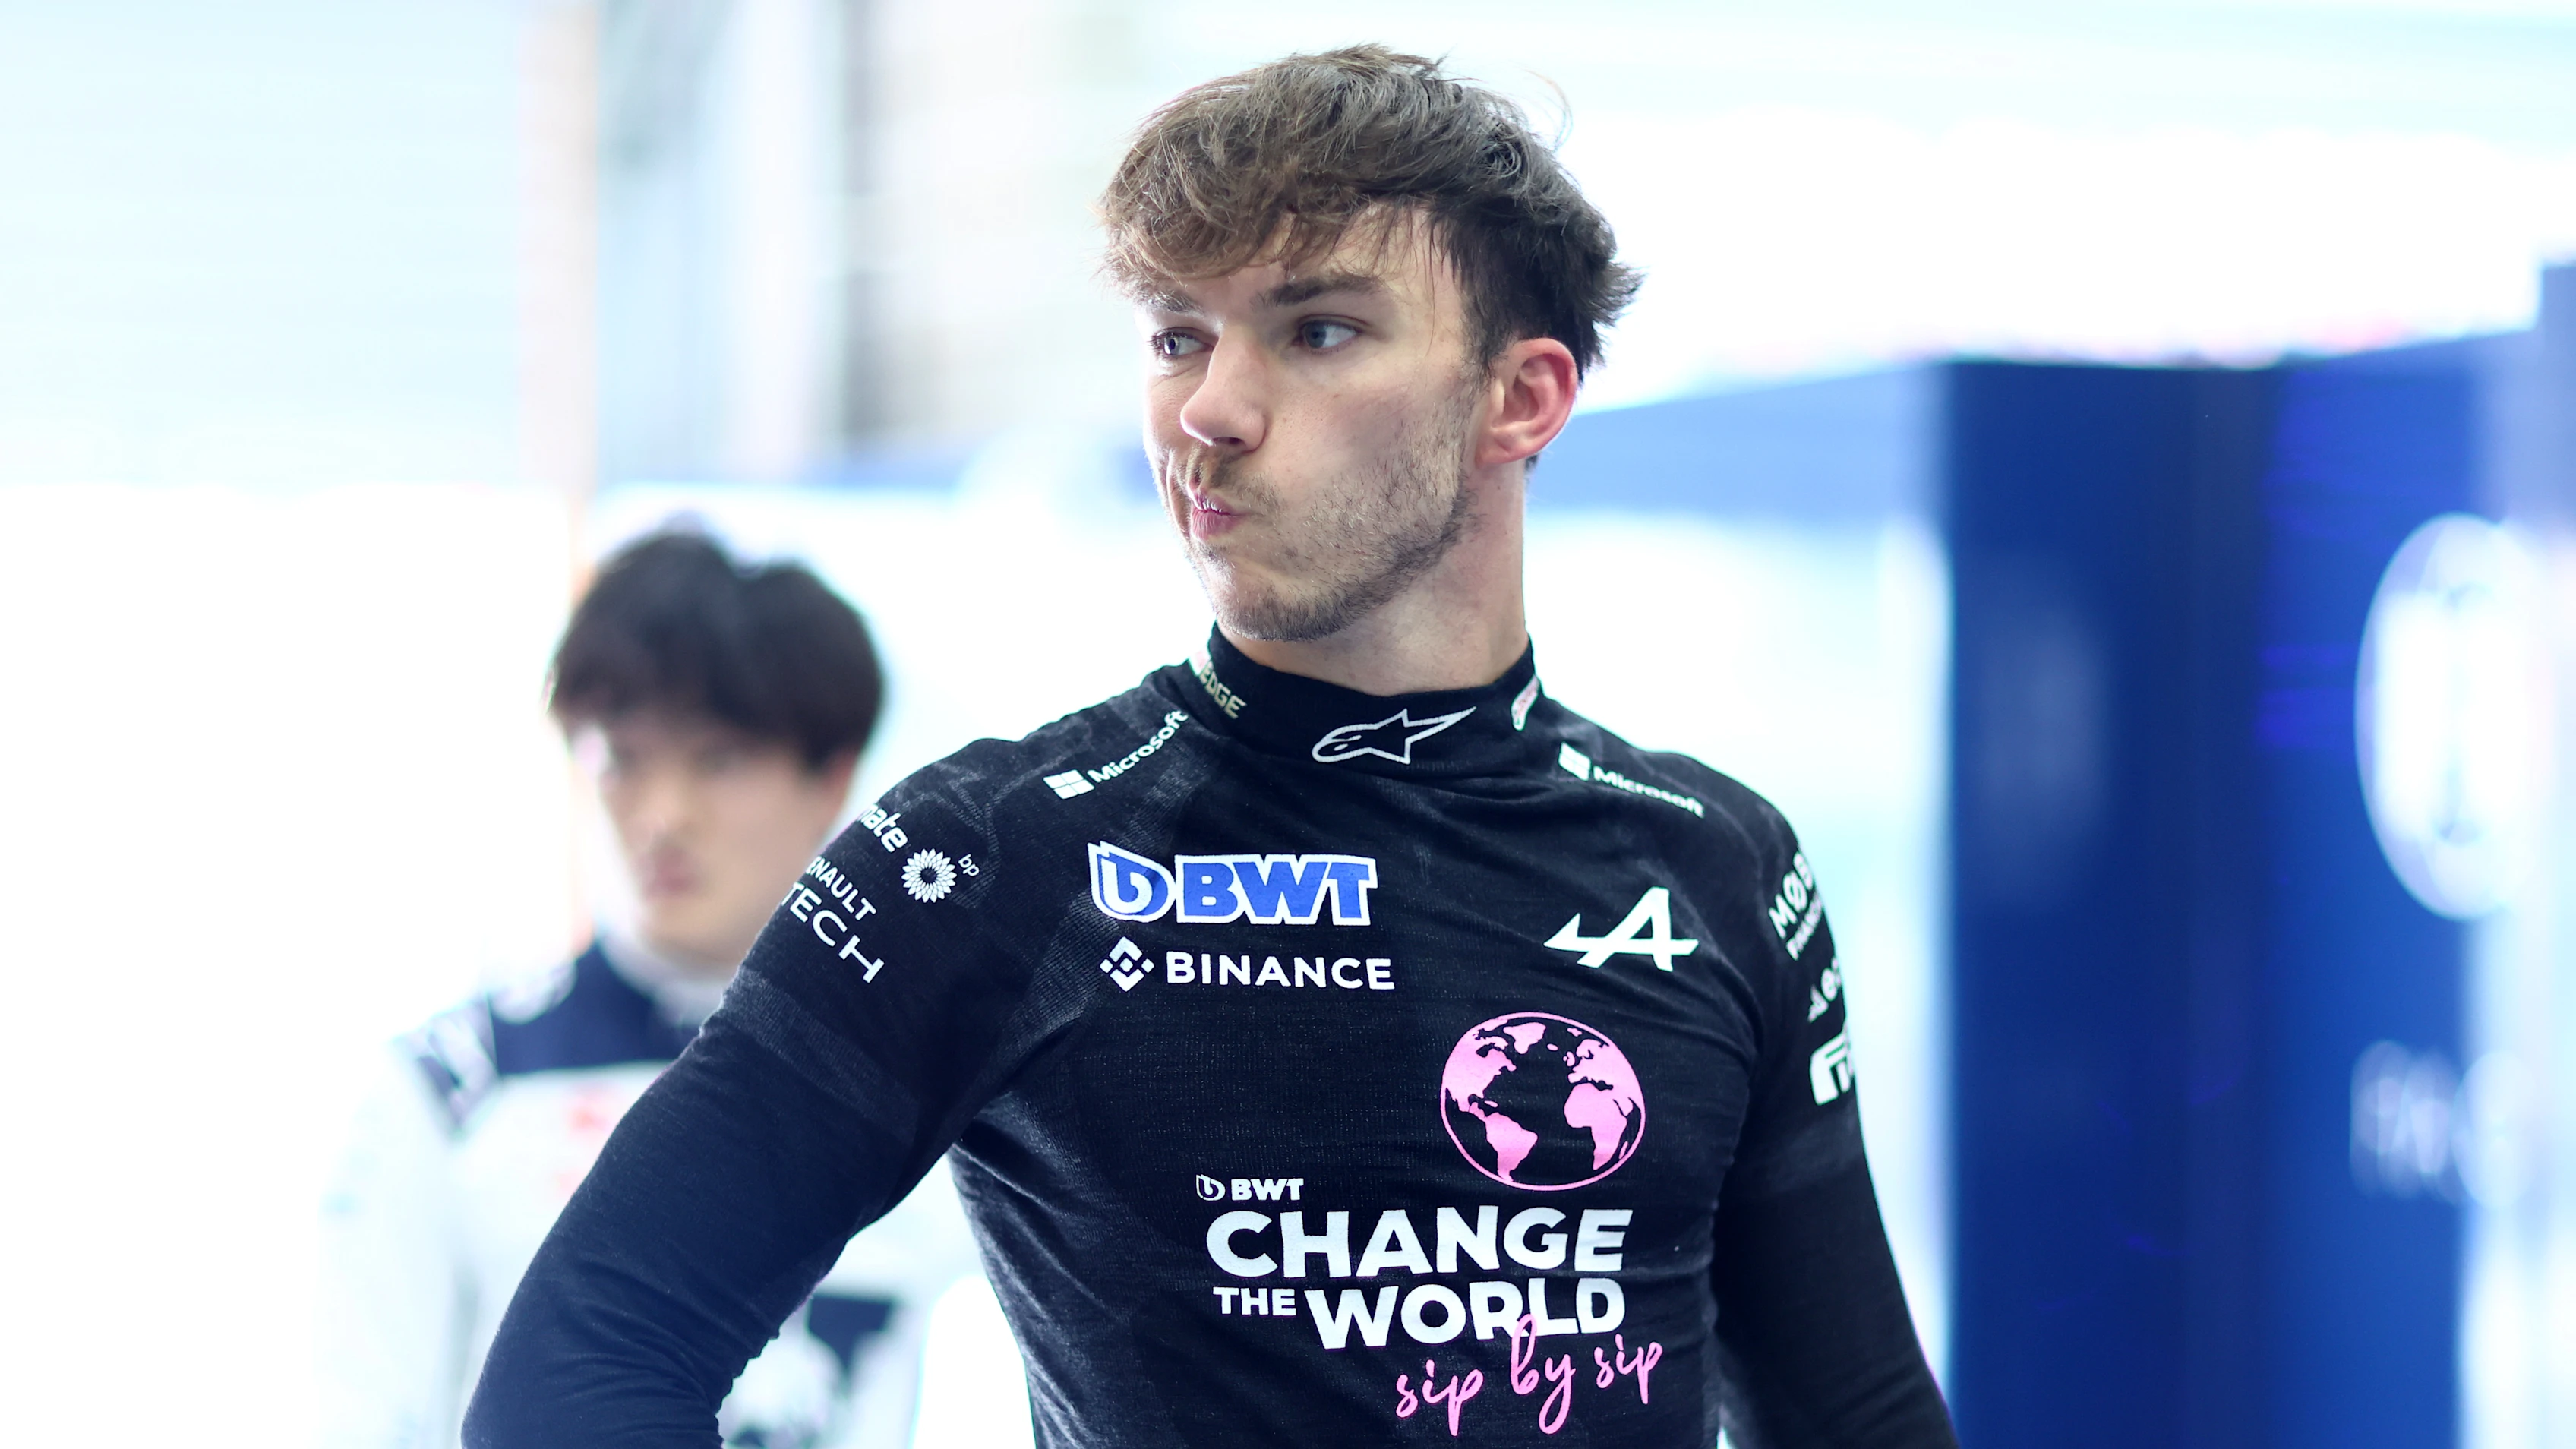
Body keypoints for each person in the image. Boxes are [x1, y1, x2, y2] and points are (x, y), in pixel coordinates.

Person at [466, 48, 1956, 1448]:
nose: (1211, 411)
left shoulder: (1711, 861)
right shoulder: (999, 856)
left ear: (1522, 398)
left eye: (1317, 331)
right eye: (1179, 336)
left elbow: (1856, 1418)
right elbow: (583, 1367)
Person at [319, 529, 976, 1449]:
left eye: (718, 760)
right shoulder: (451, 1089)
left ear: (831, 776)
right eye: (624, 759)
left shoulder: (934, 1088)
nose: (663, 816)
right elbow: (360, 1414)